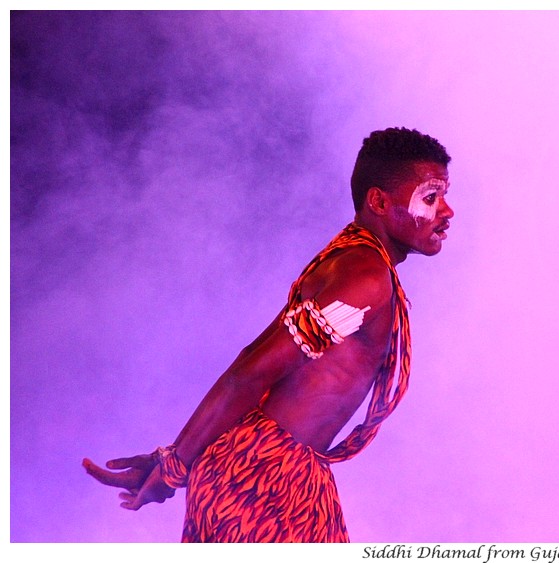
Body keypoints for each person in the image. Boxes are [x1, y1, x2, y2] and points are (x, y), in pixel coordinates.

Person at [83, 126, 454, 542]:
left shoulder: (353, 261)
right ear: (379, 201)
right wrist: (174, 467)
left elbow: (250, 360)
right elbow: (251, 371)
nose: (447, 211)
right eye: (430, 197)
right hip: (262, 480)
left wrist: (174, 457)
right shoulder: (365, 275)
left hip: (282, 474)